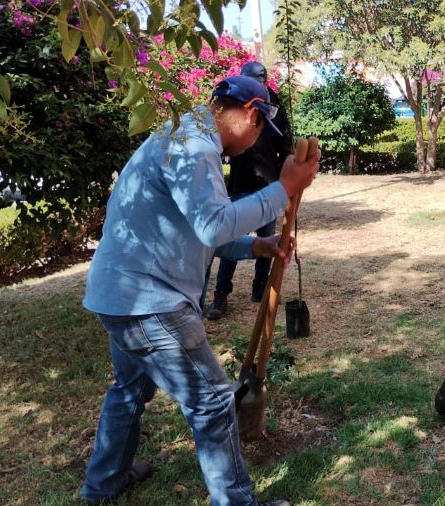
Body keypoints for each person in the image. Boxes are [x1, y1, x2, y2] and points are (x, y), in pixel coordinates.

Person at [80, 75, 320, 505]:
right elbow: (213, 223)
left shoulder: (183, 134)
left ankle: (105, 483)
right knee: (211, 402)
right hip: (149, 303)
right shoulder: (194, 146)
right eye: (262, 129)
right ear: (251, 113)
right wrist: (285, 189)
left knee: (130, 389)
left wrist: (258, 244)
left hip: (117, 295)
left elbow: (200, 229)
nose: (254, 143)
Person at [205, 62, 294, 320]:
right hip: (242, 183)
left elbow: (285, 142)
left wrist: (285, 175)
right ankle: (221, 295)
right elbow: (213, 233)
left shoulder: (273, 104)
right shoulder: (202, 151)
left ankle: (260, 289)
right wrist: (289, 185)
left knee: (267, 239)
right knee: (232, 235)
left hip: (267, 181)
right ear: (250, 115)